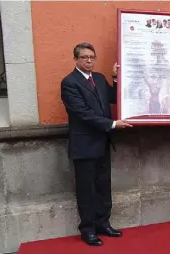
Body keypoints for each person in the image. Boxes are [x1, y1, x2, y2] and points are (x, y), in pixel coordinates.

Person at [61, 42, 133, 246]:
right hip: (84, 146)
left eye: (92, 57)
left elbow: (113, 98)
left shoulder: (100, 79)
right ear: (76, 59)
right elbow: (82, 114)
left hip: (102, 143)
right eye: (84, 57)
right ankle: (87, 230)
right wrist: (112, 124)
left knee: (103, 186)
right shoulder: (69, 83)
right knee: (86, 190)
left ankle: (103, 223)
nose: (89, 60)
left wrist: (116, 79)